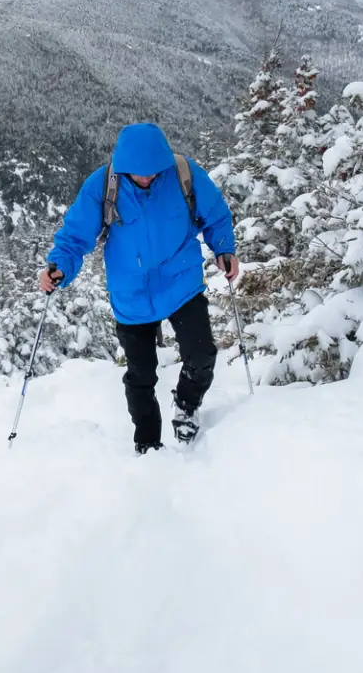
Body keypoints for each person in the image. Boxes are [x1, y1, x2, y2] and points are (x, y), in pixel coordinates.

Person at [40, 122, 238, 454]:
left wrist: (224, 249)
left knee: (202, 356)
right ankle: (147, 441)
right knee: (141, 376)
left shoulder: (183, 174)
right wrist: (59, 266)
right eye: (138, 174)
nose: (145, 179)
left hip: (181, 283)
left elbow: (216, 216)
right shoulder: (103, 186)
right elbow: (76, 236)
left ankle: (187, 406)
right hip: (131, 295)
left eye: (151, 173)